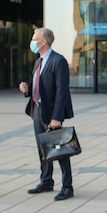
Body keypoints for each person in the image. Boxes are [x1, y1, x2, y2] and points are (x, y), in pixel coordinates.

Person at [19, 27, 75, 201]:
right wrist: (27, 89)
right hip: (37, 109)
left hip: (52, 113)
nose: (32, 41)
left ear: (43, 42)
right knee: (42, 148)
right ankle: (46, 181)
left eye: (34, 38)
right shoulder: (39, 61)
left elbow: (62, 91)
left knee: (59, 150)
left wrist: (57, 117)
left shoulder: (58, 61)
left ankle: (67, 186)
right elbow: (38, 85)